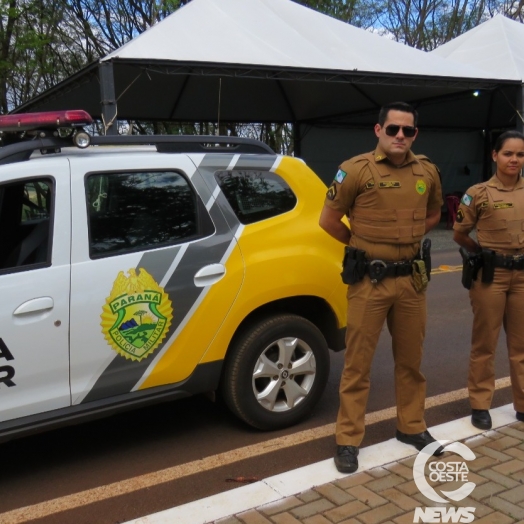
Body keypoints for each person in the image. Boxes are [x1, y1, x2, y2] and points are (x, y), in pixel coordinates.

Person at [319, 101, 444, 474]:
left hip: (411, 281)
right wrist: (363, 245)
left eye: (407, 130)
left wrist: (403, 240)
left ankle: (411, 427)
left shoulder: (427, 172)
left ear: (415, 134)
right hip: (369, 282)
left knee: (411, 361)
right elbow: (328, 221)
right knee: (358, 365)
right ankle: (347, 440)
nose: (400, 136)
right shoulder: (355, 170)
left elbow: (434, 213)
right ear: (378, 131)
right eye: (393, 129)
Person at [453, 130, 524, 431]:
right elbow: (459, 233)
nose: (514, 159)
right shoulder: (478, 193)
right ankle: (481, 404)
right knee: (485, 344)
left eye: (520, 154)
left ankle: (522, 404)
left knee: (521, 345)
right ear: (495, 155)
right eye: (508, 153)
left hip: (522, 276)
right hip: (490, 276)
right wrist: (481, 253)